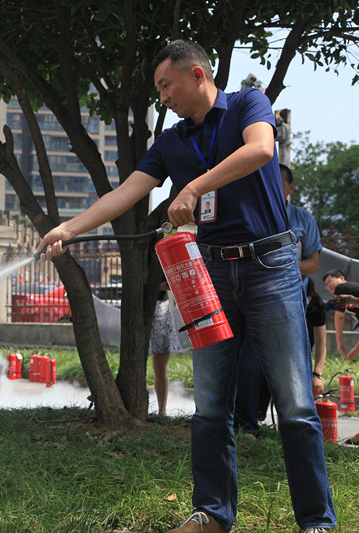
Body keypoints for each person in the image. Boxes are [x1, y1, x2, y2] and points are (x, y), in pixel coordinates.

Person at [37, 40, 335, 533]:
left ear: (197, 74)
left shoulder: (247, 104)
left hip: (271, 267)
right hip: (210, 275)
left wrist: (195, 186)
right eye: (158, 90)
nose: (162, 98)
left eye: (166, 85)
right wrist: (69, 228)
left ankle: (316, 522)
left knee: (296, 404)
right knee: (210, 406)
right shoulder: (171, 142)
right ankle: (212, 515)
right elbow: (126, 192)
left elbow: (261, 149)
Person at [233, 163, 323, 435]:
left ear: (291, 188)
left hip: (291, 304)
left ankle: (296, 430)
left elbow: (313, 263)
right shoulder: (249, 214)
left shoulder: (303, 219)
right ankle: (246, 425)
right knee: (250, 364)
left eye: (277, 182)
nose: (269, 186)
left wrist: (279, 267)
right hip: (253, 301)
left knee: (293, 365)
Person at [150, 280, 182, 416]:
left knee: (160, 368)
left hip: (160, 307)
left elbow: (173, 283)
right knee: (135, 365)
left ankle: (162, 412)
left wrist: (153, 286)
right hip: (140, 306)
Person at [322, 269, 359, 360]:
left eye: (330, 281)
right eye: (326, 285)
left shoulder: (341, 288)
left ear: (342, 278)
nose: (329, 286)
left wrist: (339, 341)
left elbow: (339, 316)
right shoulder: (351, 291)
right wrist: (357, 348)